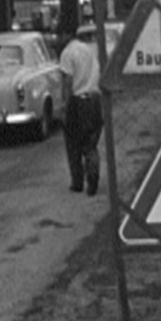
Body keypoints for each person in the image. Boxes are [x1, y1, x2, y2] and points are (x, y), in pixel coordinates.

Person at [58, 25, 103, 196]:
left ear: (67, 34)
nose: (57, 39)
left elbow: (68, 81)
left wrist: (64, 106)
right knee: (90, 143)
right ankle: (93, 176)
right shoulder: (89, 50)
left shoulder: (67, 54)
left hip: (78, 102)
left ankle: (77, 181)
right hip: (94, 98)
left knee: (73, 144)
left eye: (60, 34)